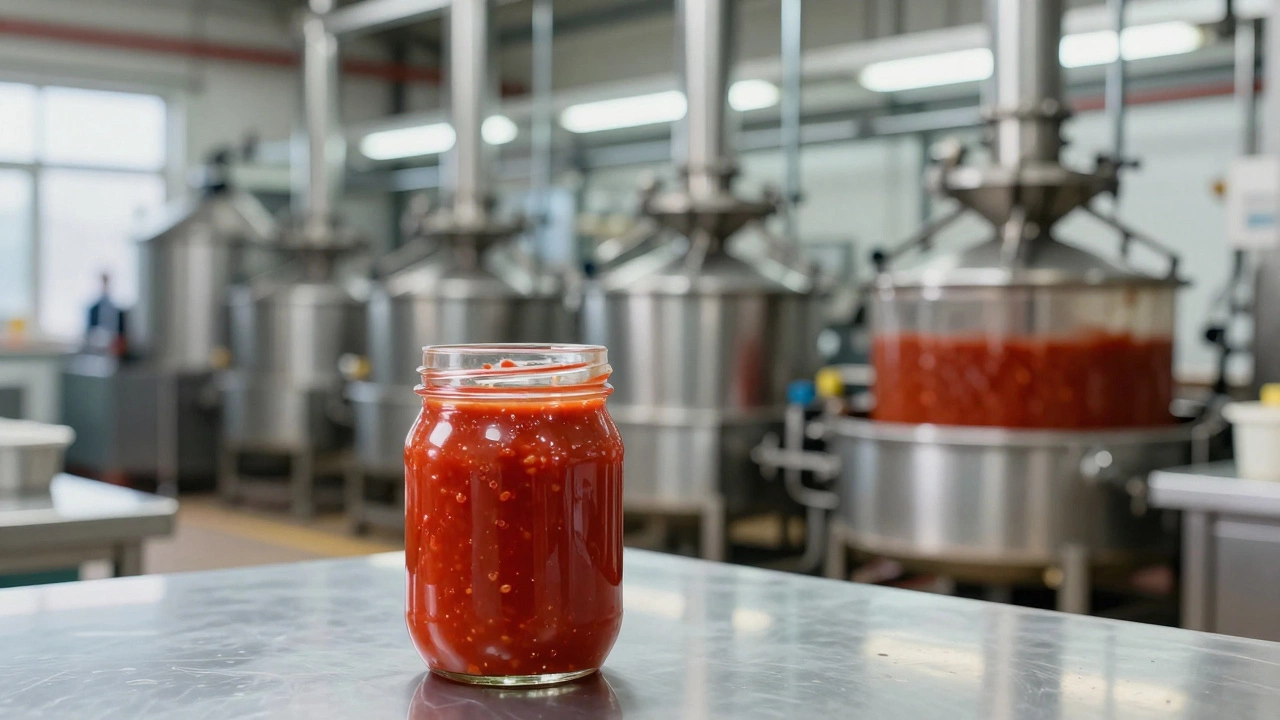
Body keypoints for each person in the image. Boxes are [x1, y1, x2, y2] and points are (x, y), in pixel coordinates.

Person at [85, 272, 127, 357]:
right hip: (95, 349)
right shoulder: (93, 309)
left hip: (114, 350)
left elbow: (122, 336)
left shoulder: (118, 311)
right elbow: (89, 333)